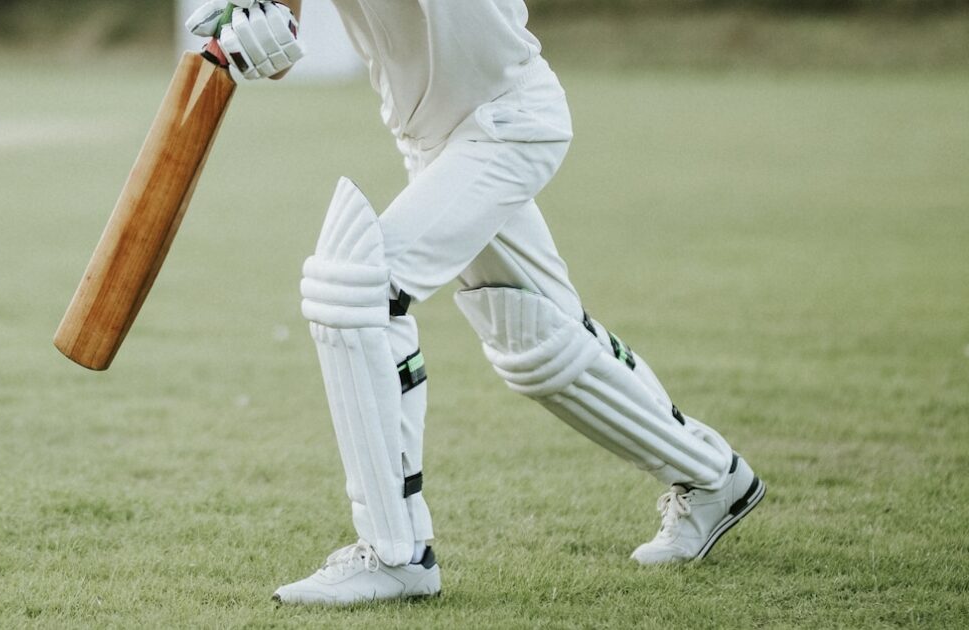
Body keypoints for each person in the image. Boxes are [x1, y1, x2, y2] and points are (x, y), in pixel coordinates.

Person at [185, 0, 765, 606]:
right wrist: (263, 28)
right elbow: (280, 36)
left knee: (355, 285)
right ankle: (712, 477)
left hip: (507, 122)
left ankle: (395, 554)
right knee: (537, 341)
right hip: (432, 144)